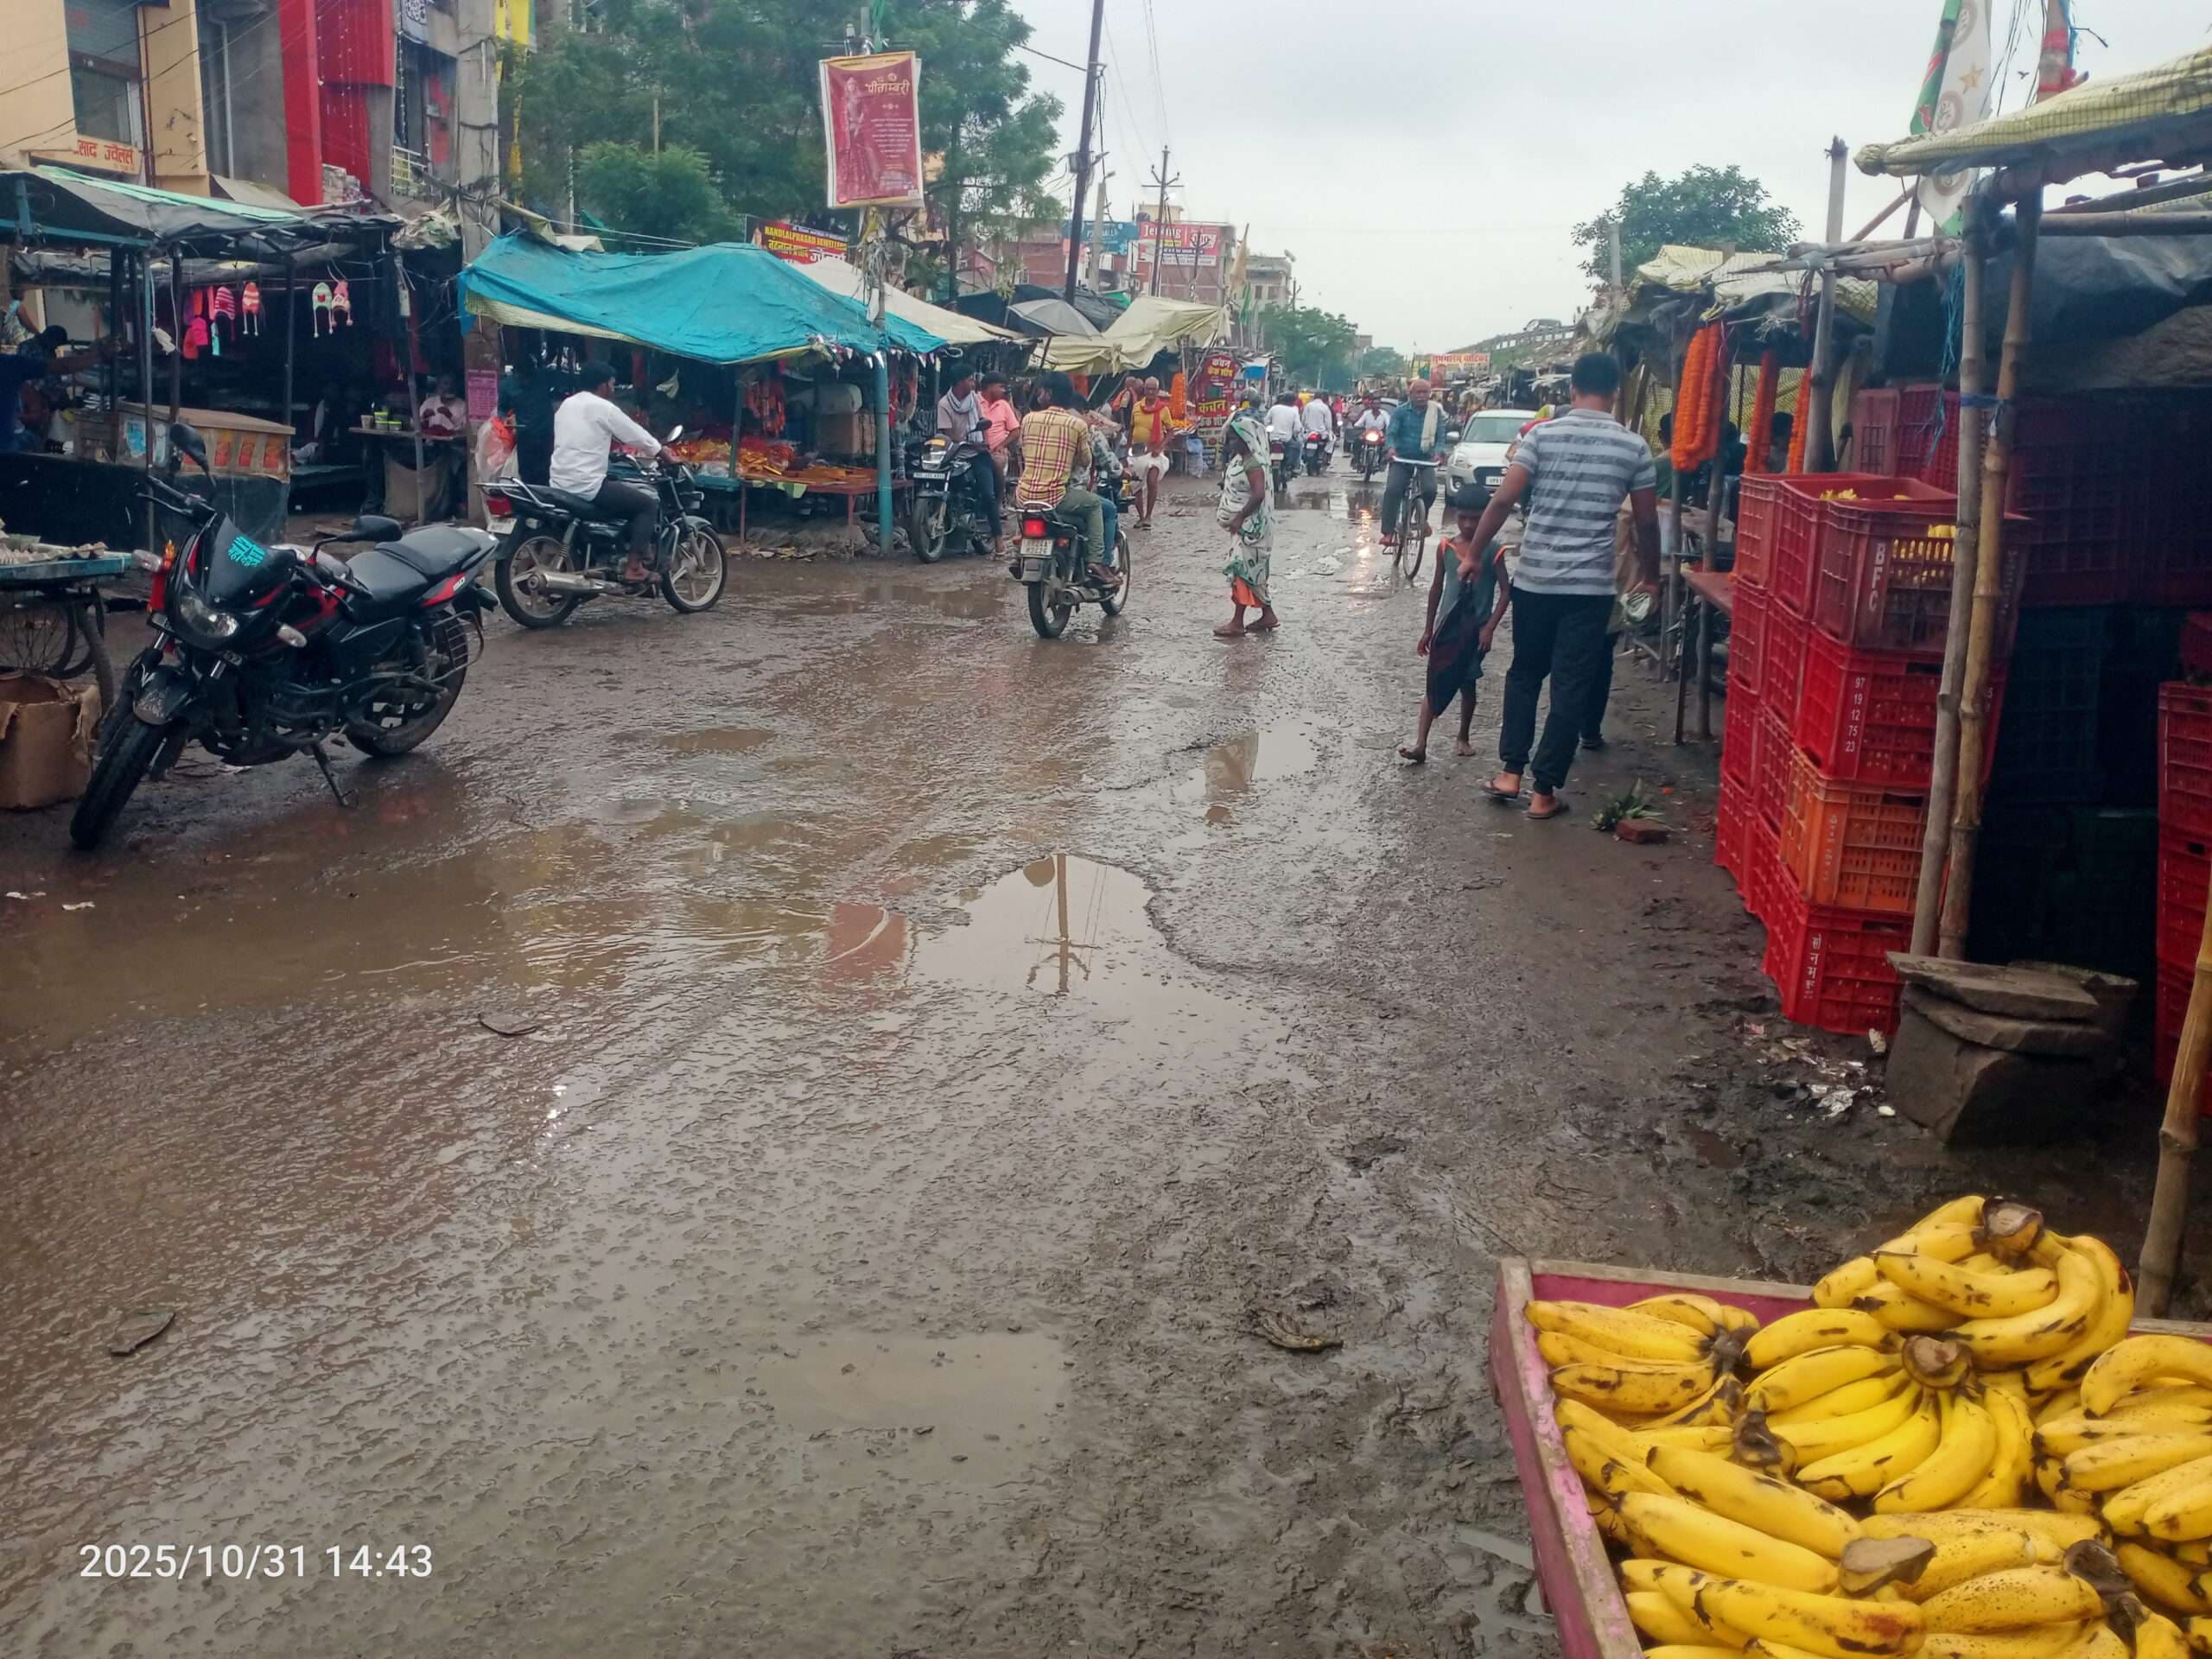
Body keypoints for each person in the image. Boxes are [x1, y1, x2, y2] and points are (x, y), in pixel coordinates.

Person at [1460, 351, 1660, 821]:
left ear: (1571, 390)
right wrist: (1650, 577)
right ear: (1615, 393)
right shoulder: (1633, 447)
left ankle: (1510, 773)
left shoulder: (1540, 436)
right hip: (1591, 588)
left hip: (1536, 582)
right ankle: (1543, 791)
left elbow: (1504, 500)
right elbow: (1648, 523)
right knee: (1571, 685)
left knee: (1526, 674)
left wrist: (1473, 555)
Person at [1402, 484, 1510, 765]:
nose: (1468, 524)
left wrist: (1489, 629)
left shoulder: (1493, 551)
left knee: (1467, 684)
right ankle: (1421, 744)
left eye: (1475, 518)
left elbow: (1506, 591)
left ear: (1487, 516)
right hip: (1445, 630)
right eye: (1463, 517)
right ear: (1455, 515)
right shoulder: (1445, 547)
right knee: (1434, 683)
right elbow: (1437, 588)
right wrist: (1429, 629)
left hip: (1474, 632)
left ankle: (1463, 735)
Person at [550, 359, 663, 585]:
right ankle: (634, 568)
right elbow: (635, 434)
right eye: (612, 384)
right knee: (647, 504)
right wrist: (661, 451)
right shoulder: (603, 407)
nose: (613, 389)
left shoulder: (566, 405)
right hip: (587, 485)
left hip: (559, 482)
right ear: (602, 385)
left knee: (621, 495)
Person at [1015, 371, 1112, 588]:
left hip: (1024, 496)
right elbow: (1086, 460)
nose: (1038, 394)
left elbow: (1024, 450)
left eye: (1040, 391)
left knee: (1026, 506)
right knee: (1096, 504)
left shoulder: (1028, 419)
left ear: (1048, 394)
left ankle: (1018, 550)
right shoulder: (1077, 425)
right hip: (1056, 497)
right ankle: (1096, 562)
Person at [1215, 409, 1277, 638]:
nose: (1230, 443)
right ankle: (1268, 615)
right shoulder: (1241, 460)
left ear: (1246, 439)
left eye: (1233, 439)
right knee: (1253, 570)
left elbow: (1258, 494)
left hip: (1251, 527)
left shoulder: (1252, 462)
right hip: (1245, 525)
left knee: (1241, 570)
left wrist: (1239, 517)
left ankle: (1237, 622)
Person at [0, 326, 97, 455]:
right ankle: (68, 451)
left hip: (36, 405)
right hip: (11, 447)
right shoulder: (14, 361)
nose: (56, 347)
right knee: (42, 441)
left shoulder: (43, 352)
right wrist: (99, 356)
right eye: (56, 344)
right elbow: (62, 367)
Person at [935, 369, 999, 553]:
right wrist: (963, 442)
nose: (973, 383)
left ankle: (999, 541)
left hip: (977, 452)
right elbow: (948, 434)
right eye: (970, 379)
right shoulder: (944, 404)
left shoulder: (974, 400)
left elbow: (982, 421)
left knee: (988, 494)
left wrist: (984, 442)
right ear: (960, 381)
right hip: (955, 452)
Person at [1382, 378, 1449, 537]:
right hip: (1402, 459)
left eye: (1425, 392)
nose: (1421, 396)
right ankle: (1388, 533)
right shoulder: (1400, 412)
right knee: (1393, 490)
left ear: (1429, 394)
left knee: (1430, 490)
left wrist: (1438, 452)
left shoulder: (1435, 412)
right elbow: (1391, 433)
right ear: (1410, 394)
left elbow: (1441, 437)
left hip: (1426, 460)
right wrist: (1391, 448)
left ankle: (1420, 518)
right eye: (1418, 392)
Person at [499, 356, 563, 486]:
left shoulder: (544, 377)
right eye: (522, 377)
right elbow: (502, 409)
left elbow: (563, 384)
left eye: (529, 377)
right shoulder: (506, 385)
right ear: (515, 373)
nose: (526, 381)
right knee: (527, 475)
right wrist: (506, 420)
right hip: (524, 437)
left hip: (547, 435)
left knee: (547, 473)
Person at [1127, 376, 1178, 528]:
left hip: (1155, 452)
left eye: (1153, 389)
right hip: (1137, 452)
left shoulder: (1163, 409)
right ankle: (1141, 517)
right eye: (1148, 389)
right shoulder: (1136, 407)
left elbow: (1170, 432)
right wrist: (1126, 451)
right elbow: (1131, 429)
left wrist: (1160, 446)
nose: (1150, 392)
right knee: (1135, 486)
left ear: (1157, 391)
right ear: (1144, 390)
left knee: (1152, 482)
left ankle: (1149, 516)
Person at [978, 372, 1021, 524]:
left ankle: (998, 502)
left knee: (997, 462)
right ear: (990, 387)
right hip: (976, 448)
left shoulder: (1003, 405)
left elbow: (1015, 431)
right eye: (1001, 387)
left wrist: (1001, 444)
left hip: (998, 451)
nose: (1004, 391)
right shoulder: (975, 401)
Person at [417, 372, 467, 438]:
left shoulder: (463, 405)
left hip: (454, 445)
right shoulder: (429, 402)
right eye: (445, 383)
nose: (449, 387)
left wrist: (450, 416)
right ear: (438, 385)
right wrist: (424, 416)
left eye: (453, 384)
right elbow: (415, 426)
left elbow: (465, 430)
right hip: (431, 443)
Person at [1299, 387, 1335, 466]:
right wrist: (1329, 431)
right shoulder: (1325, 407)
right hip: (1322, 433)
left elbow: (1303, 419)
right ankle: (1326, 455)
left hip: (1308, 432)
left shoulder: (1308, 406)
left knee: (1300, 442)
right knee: (1332, 440)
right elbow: (1328, 424)